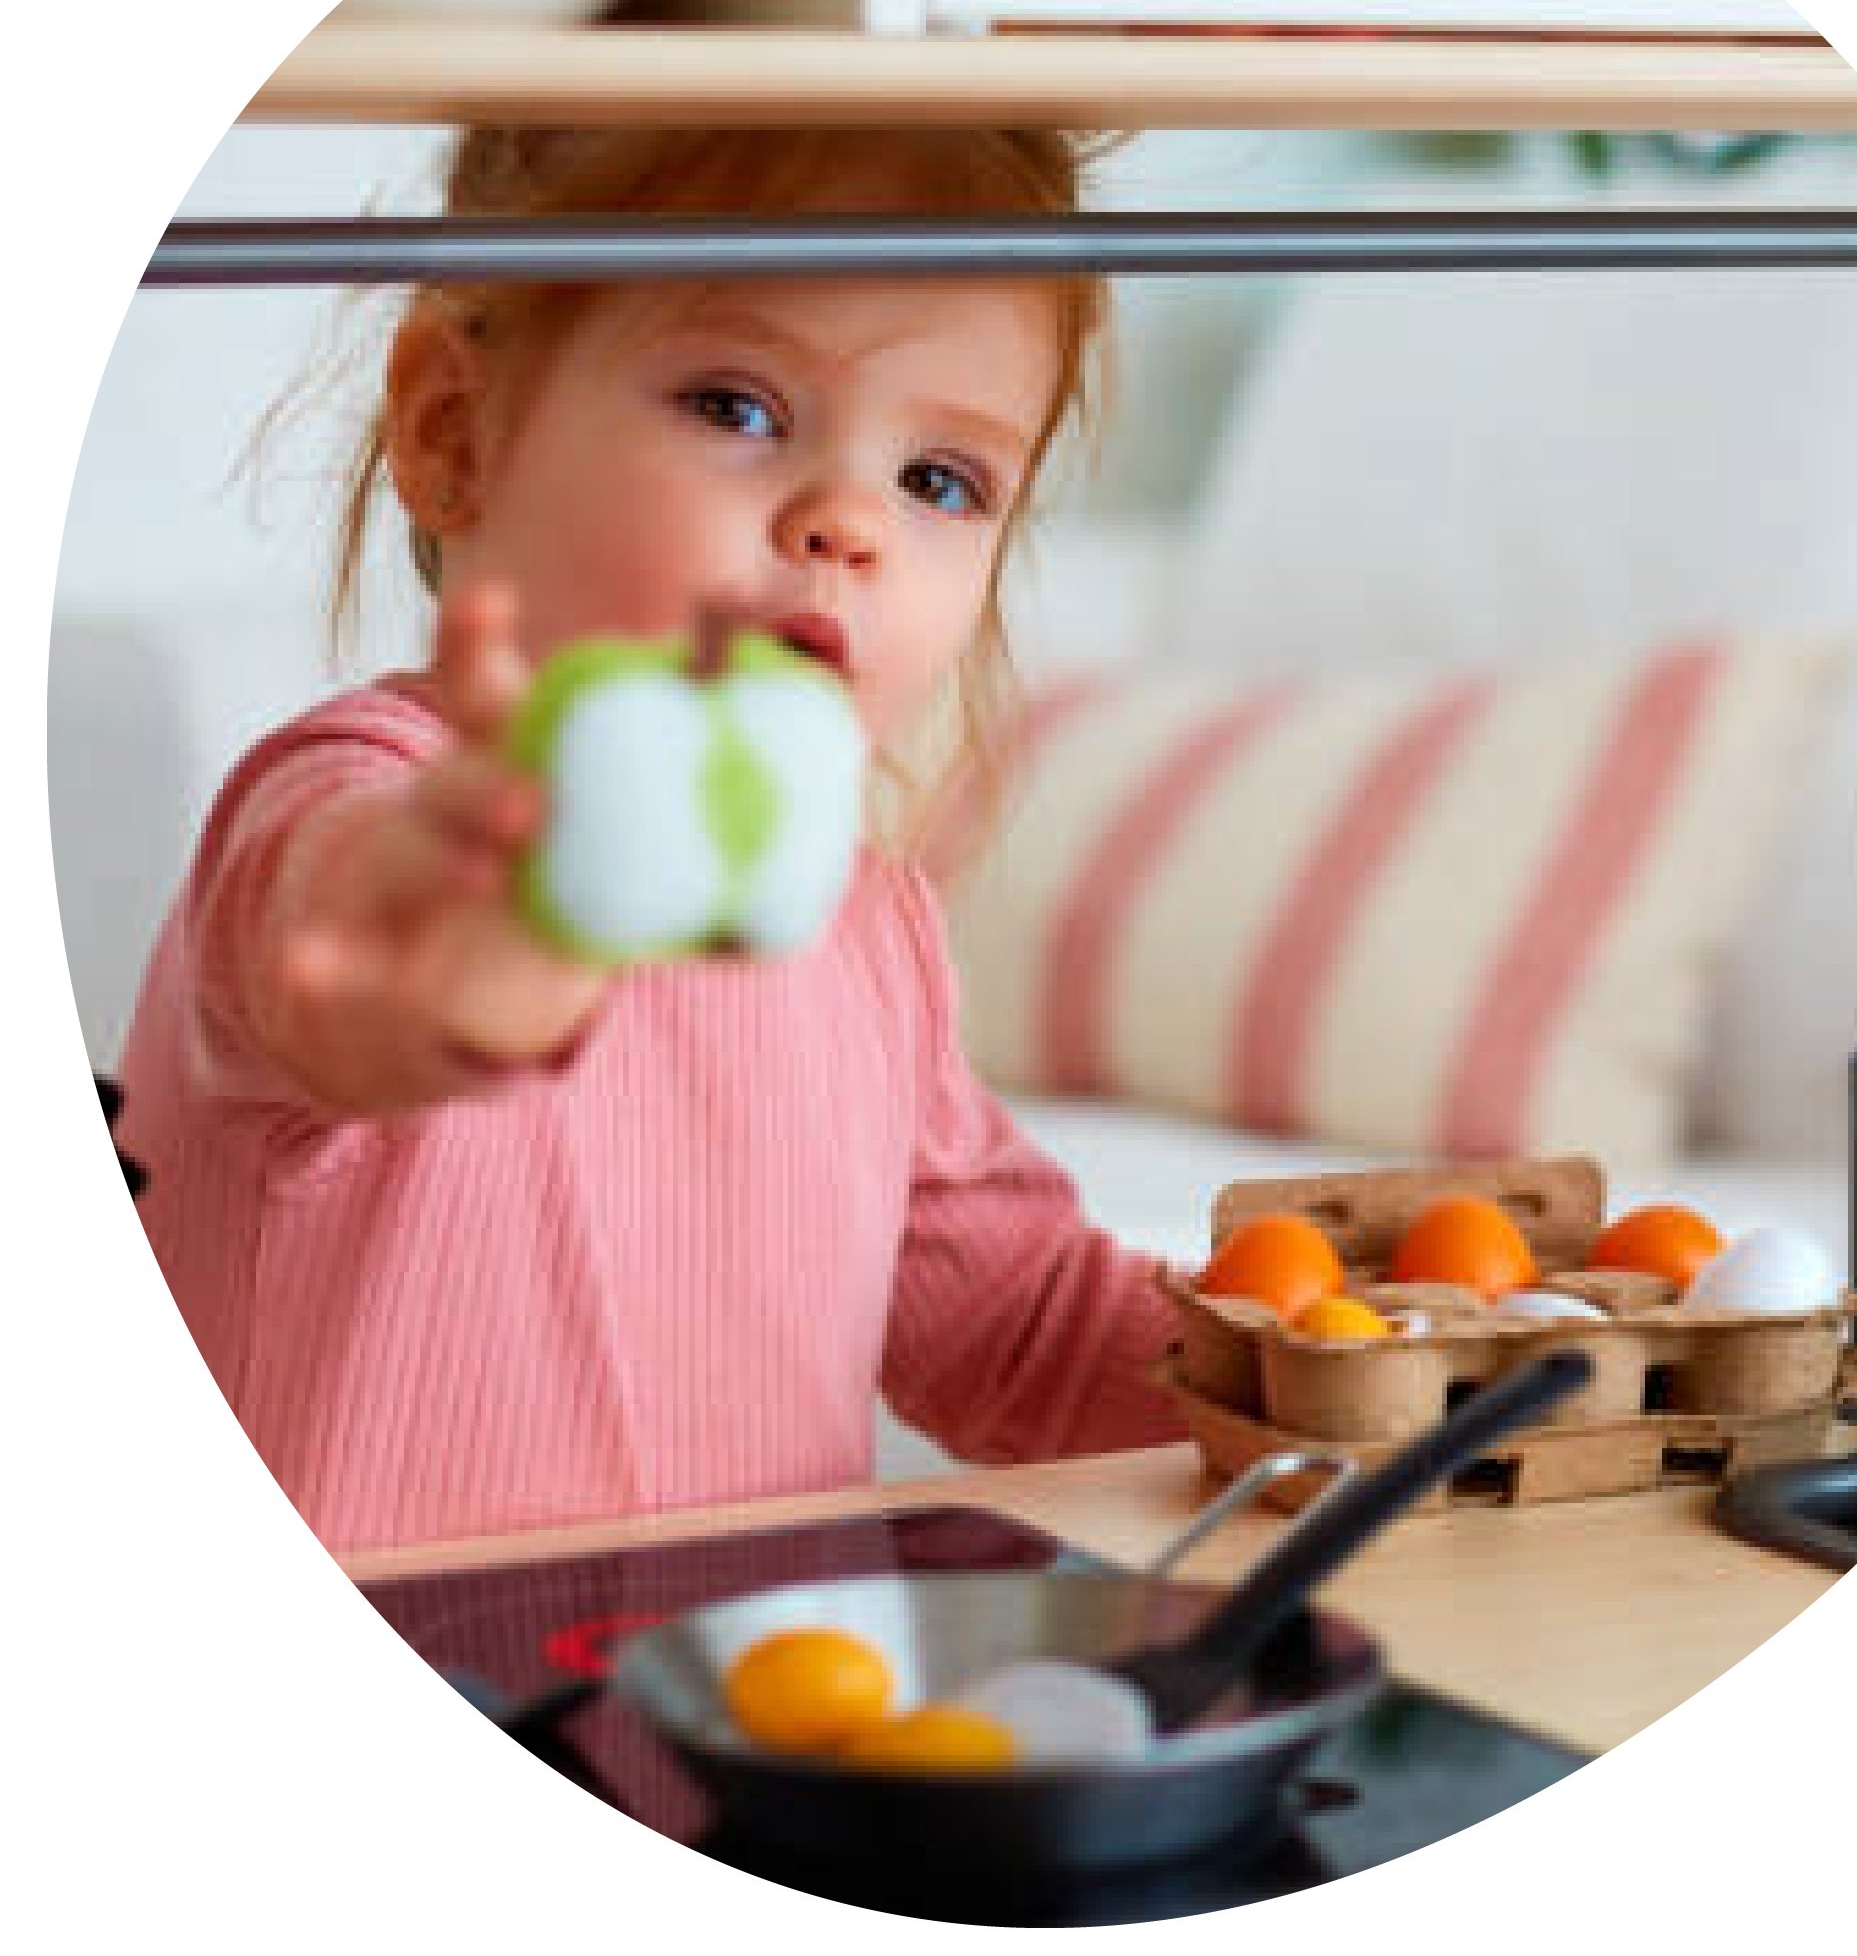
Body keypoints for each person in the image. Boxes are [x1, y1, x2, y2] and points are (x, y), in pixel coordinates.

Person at [117, 126, 1190, 1558]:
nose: (846, 521)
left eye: (941, 480)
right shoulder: (364, 799)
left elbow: (1019, 1329)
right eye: (738, 405)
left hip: (711, 1741)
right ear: (455, 430)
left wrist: (1325, 1361)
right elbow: (350, 966)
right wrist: (481, 934)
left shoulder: (866, 928)